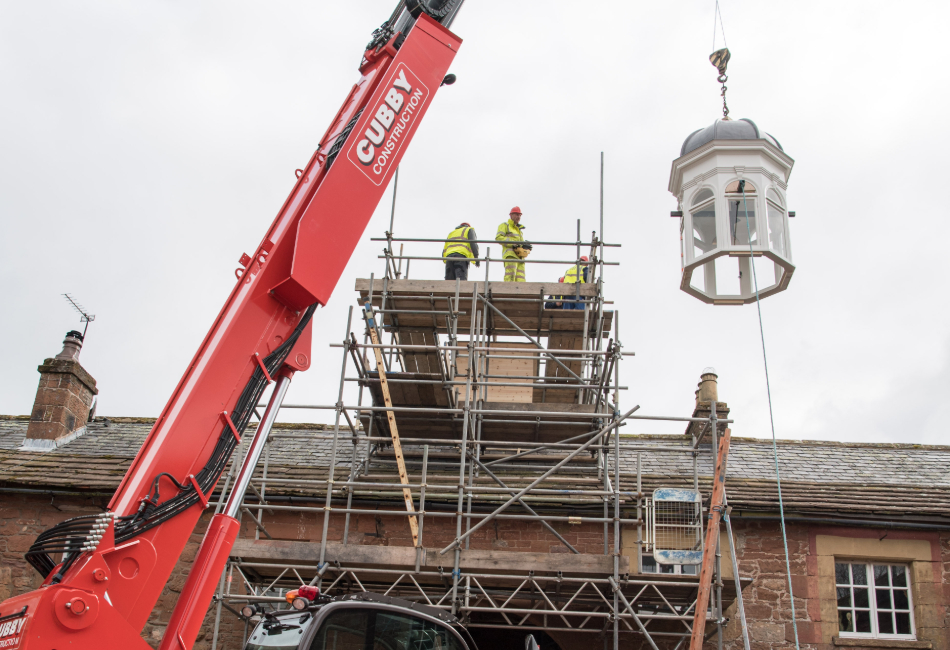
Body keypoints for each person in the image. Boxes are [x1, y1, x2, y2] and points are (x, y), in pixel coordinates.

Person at [495, 206, 528, 282]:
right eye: (516, 214)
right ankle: (508, 292)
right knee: (510, 277)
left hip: (520, 257)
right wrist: (512, 242)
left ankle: (520, 293)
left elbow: (520, 243)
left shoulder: (519, 230)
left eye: (519, 215)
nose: (518, 217)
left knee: (521, 279)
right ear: (511, 215)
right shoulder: (505, 225)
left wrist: (525, 247)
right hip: (510, 255)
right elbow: (499, 238)